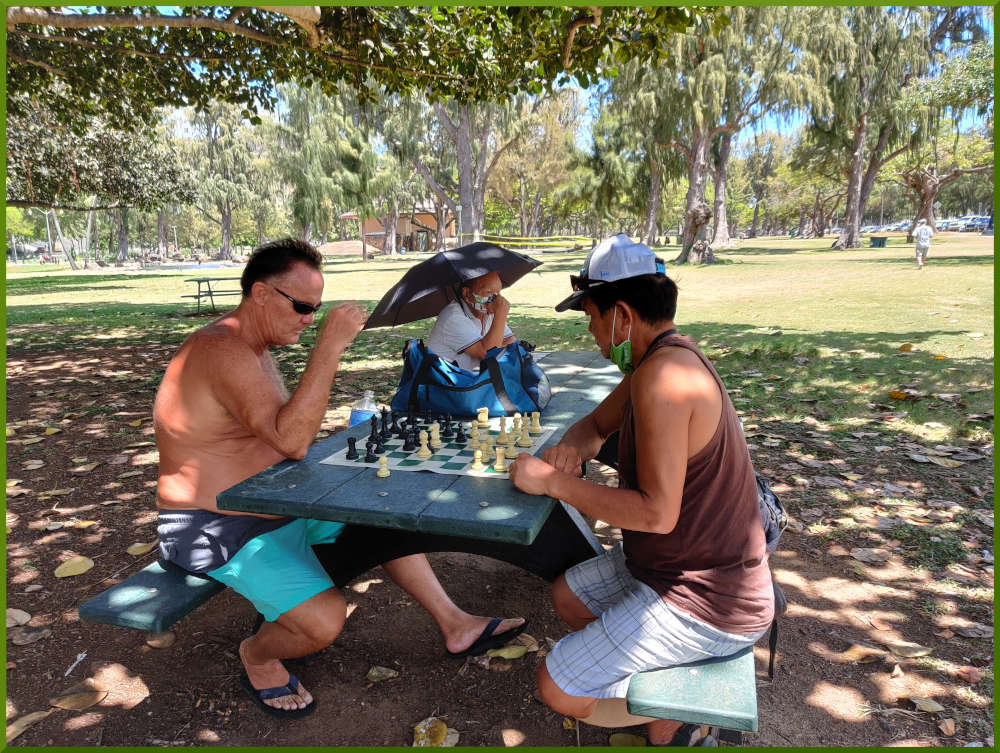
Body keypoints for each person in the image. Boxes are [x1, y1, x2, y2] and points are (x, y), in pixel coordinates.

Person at [153, 238, 524, 719]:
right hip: (212, 524)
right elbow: (291, 440)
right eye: (304, 307)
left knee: (385, 518)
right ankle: (258, 655)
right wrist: (330, 346)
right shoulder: (221, 348)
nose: (310, 320)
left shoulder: (253, 346)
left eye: (317, 309)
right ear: (262, 295)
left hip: (275, 503)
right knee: (324, 623)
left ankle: (456, 624)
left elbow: (276, 433)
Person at [508, 234, 774, 745]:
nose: (593, 335)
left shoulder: (665, 380)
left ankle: (673, 715)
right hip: (673, 567)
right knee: (568, 598)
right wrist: (570, 449)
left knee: (558, 686)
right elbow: (593, 427)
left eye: (592, 318)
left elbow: (656, 515)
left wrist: (554, 483)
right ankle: (655, 691)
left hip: (711, 599)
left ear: (622, 315)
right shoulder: (656, 362)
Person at [425, 271, 517, 371]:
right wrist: (500, 314)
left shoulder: (487, 310)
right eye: (488, 292)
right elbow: (489, 355)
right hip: (448, 383)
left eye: (498, 293)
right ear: (467, 293)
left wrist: (492, 345)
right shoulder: (453, 317)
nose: (496, 299)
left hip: (470, 380)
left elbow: (512, 343)